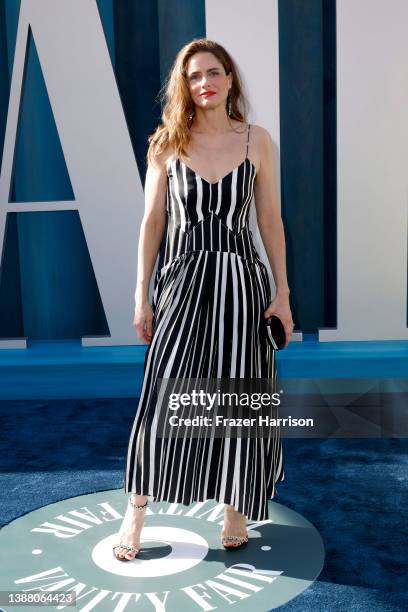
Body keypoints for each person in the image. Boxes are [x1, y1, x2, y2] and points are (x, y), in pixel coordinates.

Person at [112, 38, 294, 561]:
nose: (204, 82)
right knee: (164, 397)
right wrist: (141, 293)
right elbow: (152, 223)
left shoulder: (256, 141)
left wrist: (281, 293)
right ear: (183, 85)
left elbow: (270, 221)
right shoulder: (165, 143)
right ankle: (137, 508)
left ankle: (236, 503)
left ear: (230, 79)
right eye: (194, 76)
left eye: (213, 72)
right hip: (184, 284)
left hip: (243, 283)